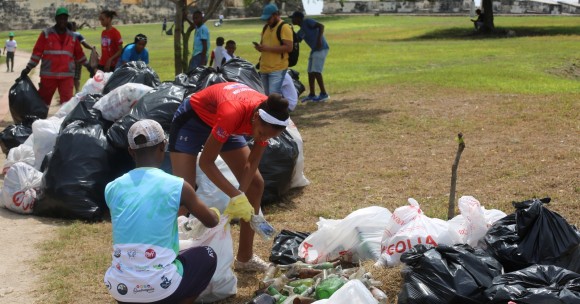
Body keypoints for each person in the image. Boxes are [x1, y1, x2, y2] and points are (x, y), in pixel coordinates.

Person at [169, 82, 291, 272]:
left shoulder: (268, 117)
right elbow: (206, 162)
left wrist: (242, 194)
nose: (260, 139)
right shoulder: (232, 113)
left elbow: (252, 163)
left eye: (267, 137)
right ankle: (161, 257)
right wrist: (235, 195)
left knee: (256, 186)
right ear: (256, 117)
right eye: (260, 133)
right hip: (192, 122)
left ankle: (245, 258)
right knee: (184, 196)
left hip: (225, 125)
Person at [104, 119, 220, 303]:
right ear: (163, 146)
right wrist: (215, 212)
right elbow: (211, 221)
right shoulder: (178, 185)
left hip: (121, 289)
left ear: (131, 151)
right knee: (207, 255)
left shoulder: (111, 188)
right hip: (160, 288)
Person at [20, 7, 93, 106]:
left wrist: (89, 67)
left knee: (67, 105)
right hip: (49, 75)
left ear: (67, 19)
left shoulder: (73, 37)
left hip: (66, 76)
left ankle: (64, 121)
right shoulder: (46, 34)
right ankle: (40, 121)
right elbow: (37, 53)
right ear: (56, 19)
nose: (62, 21)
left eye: (65, 18)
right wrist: (28, 68)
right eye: (60, 18)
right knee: (43, 103)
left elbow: (80, 55)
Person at [290, 11, 330, 102]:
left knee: (316, 71)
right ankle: (312, 94)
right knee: (310, 72)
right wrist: (290, 31)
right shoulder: (301, 31)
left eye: (293, 18)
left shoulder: (307, 22)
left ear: (299, 18)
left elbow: (321, 26)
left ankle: (324, 94)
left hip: (321, 48)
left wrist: (319, 39)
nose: (292, 19)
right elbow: (296, 40)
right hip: (314, 50)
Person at [254, 3, 293, 95]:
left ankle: (278, 109)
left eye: (269, 18)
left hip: (277, 68)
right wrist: (260, 48)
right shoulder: (265, 28)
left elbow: (289, 47)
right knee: (265, 96)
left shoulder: (284, 27)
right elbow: (264, 45)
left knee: (274, 96)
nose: (267, 21)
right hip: (264, 68)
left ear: (276, 15)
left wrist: (268, 48)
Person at [68, 21, 94, 92]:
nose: (76, 27)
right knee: (76, 77)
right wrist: (92, 48)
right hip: (77, 59)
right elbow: (84, 44)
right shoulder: (77, 35)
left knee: (69, 77)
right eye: (75, 26)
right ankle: (77, 91)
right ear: (72, 27)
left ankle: (69, 93)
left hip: (67, 59)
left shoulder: (65, 35)